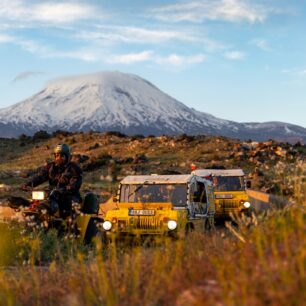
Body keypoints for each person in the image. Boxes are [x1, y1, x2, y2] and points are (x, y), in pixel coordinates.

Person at [21, 144, 83, 218]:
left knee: (64, 201)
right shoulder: (51, 167)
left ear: (67, 157)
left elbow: (75, 184)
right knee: (37, 201)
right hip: (52, 193)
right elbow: (40, 177)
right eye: (57, 155)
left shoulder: (74, 168)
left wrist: (65, 189)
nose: (59, 158)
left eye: (62, 156)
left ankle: (67, 224)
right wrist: (28, 184)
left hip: (69, 195)